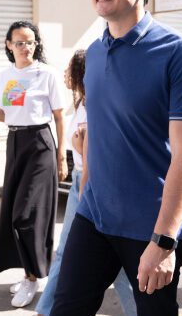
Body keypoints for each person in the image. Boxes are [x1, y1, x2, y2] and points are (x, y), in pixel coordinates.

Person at [50, 0, 182, 316]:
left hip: (150, 227)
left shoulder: (178, 52)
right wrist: (86, 187)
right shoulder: (95, 52)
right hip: (94, 217)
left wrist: (164, 241)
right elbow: (99, 132)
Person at [34, 50, 137, 316]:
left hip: (92, 183)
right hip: (84, 179)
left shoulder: (94, 106)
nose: (65, 74)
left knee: (70, 254)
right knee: (113, 263)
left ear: (81, 72)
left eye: (70, 69)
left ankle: (46, 310)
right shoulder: (81, 102)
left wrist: (83, 197)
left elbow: (94, 158)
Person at [0, 20, 66, 309]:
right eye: (19, 42)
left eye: (30, 42)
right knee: (13, 213)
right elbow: (5, 114)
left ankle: (32, 277)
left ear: (36, 44)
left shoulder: (46, 74)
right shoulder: (6, 76)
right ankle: (28, 271)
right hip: (14, 145)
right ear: (8, 45)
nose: (25, 47)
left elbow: (60, 116)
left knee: (26, 215)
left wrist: (61, 155)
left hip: (39, 144)